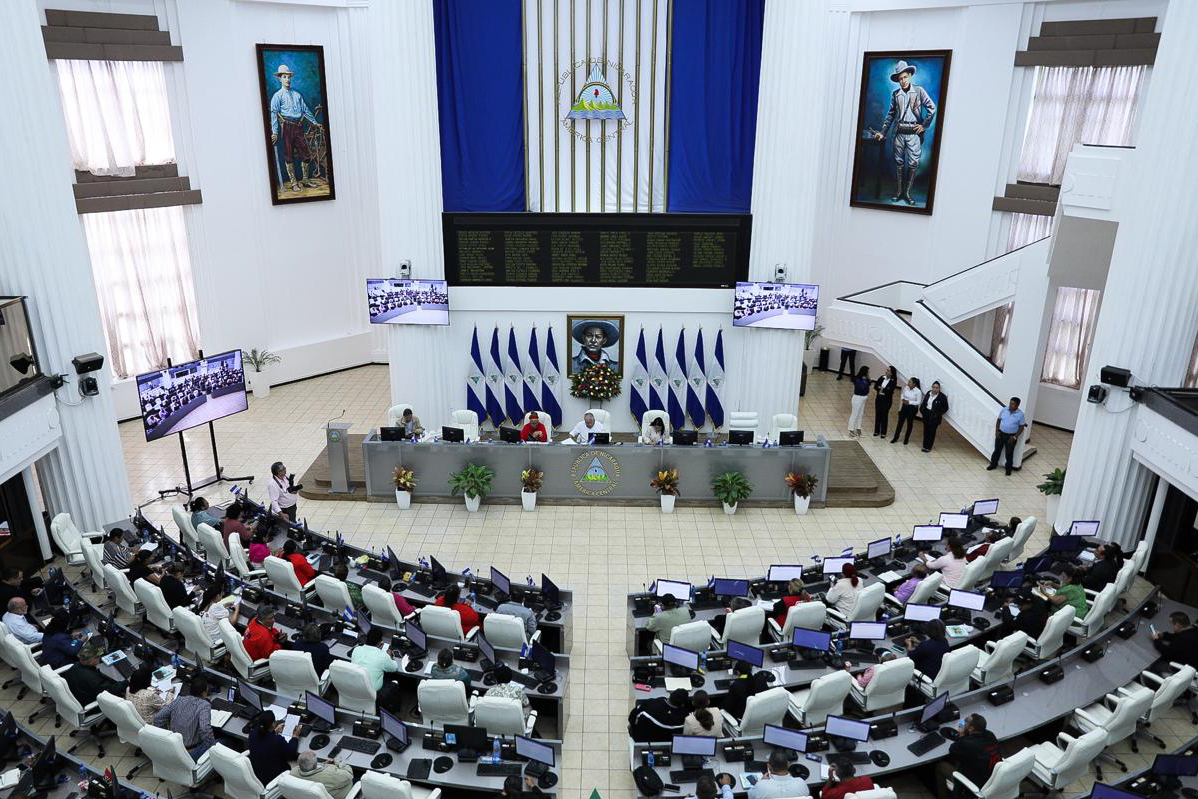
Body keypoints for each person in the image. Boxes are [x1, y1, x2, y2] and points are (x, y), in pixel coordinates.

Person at [871, 59, 937, 205]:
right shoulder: (896, 94)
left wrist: (924, 126)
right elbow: (890, 115)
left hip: (914, 133)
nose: (903, 81)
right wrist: (883, 132)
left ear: (910, 76)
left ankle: (907, 193)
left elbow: (932, 108)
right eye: (900, 79)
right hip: (899, 133)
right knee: (899, 162)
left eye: (905, 77)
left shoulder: (919, 91)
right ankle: (899, 191)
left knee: (913, 163)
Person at [268, 64, 323, 193]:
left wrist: (315, 123)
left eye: (288, 77)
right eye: (284, 77)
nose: (287, 79)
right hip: (286, 128)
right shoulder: (277, 96)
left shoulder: (297, 95)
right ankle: (294, 183)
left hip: (298, 127)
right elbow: (274, 115)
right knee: (288, 155)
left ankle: (305, 179)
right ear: (280, 79)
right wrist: (275, 132)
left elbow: (305, 110)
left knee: (306, 154)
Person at [935, 714, 1000, 799]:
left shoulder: (967, 744)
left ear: (971, 728)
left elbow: (952, 750)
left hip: (976, 784)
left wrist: (961, 734)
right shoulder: (990, 735)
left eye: (965, 721)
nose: (963, 722)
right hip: (993, 777)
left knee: (941, 766)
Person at [154, 674, 216, 759]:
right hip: (190, 752)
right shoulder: (204, 705)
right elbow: (205, 729)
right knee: (226, 741)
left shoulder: (179, 699)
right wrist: (212, 747)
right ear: (204, 693)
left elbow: (158, 718)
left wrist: (166, 736)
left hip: (174, 746)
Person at [350, 627, 401, 713]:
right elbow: (394, 668)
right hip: (373, 693)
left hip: (356, 688)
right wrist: (389, 656)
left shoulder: (356, 650)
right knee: (393, 680)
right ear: (380, 642)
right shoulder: (382, 656)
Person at [64, 638, 125, 707]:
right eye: (97, 657)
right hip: (92, 705)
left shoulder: (74, 667)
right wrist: (126, 682)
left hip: (78, 696)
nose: (99, 657)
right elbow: (110, 691)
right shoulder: (93, 679)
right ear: (91, 660)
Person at [247, 708, 300, 785]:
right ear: (272, 724)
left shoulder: (252, 734)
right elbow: (291, 752)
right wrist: (295, 736)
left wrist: (274, 731)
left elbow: (266, 740)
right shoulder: (277, 740)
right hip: (274, 777)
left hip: (258, 773)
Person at [987, 397, 1027, 475]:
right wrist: (997, 431)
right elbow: (998, 420)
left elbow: (1021, 426)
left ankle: (1008, 469)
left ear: (1017, 405)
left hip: (1011, 437)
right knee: (997, 450)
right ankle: (993, 464)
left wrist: (1015, 437)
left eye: (1012, 404)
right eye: (1010, 403)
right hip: (1001, 434)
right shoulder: (1004, 410)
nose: (1010, 405)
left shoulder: (1020, 414)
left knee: (1009, 453)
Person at [891, 377, 922, 444]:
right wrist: (902, 399)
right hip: (904, 407)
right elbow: (902, 394)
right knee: (900, 423)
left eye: (910, 382)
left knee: (909, 424)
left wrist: (909, 402)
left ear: (914, 384)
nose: (908, 383)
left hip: (912, 409)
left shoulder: (918, 391)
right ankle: (895, 438)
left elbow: (918, 402)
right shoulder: (906, 388)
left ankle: (906, 439)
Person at [920, 381, 949, 452]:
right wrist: (922, 410)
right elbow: (924, 402)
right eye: (934, 387)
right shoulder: (928, 393)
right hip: (927, 414)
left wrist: (937, 414)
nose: (935, 389)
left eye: (937, 388)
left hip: (935, 417)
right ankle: (924, 445)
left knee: (931, 432)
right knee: (926, 431)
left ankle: (928, 447)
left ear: (939, 389)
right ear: (931, 387)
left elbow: (946, 408)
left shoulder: (942, 397)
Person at [873, 366, 898, 438]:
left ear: (892, 373)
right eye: (887, 370)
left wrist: (881, 388)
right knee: (878, 414)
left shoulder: (893, 381)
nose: (887, 371)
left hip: (886, 401)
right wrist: (882, 389)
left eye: (888, 371)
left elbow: (890, 390)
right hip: (879, 399)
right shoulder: (882, 377)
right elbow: (875, 386)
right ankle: (876, 431)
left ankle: (883, 432)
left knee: (884, 415)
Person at [847, 366, 870, 438]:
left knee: (860, 414)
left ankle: (858, 430)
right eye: (868, 372)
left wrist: (868, 380)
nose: (869, 373)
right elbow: (862, 389)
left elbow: (868, 387)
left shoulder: (866, 379)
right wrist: (867, 382)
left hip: (863, 398)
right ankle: (851, 431)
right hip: (858, 398)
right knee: (854, 414)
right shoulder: (858, 380)